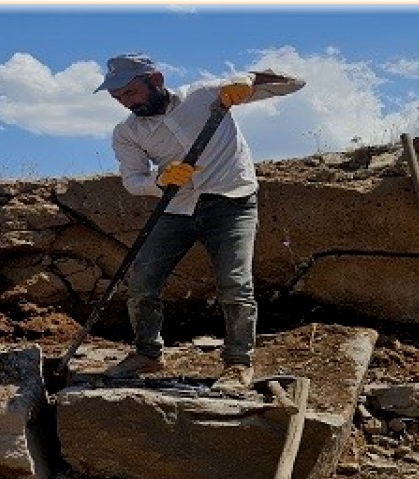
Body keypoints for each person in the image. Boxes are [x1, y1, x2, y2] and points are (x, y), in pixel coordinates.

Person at [96, 53, 304, 391]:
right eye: (118, 98)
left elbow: (294, 83)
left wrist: (248, 79)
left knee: (235, 284)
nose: (127, 103)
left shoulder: (206, 96)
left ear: (157, 80)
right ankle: (148, 354)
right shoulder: (127, 132)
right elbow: (133, 180)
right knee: (143, 282)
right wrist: (161, 179)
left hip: (231, 203)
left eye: (131, 93)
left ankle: (238, 364)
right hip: (176, 208)